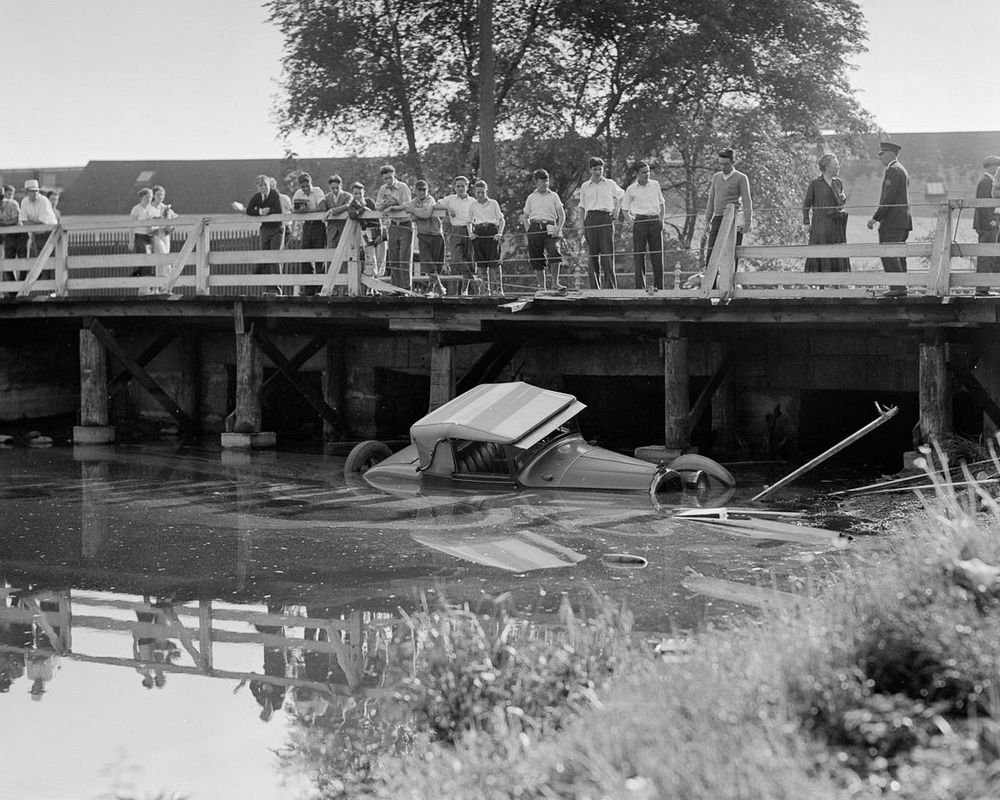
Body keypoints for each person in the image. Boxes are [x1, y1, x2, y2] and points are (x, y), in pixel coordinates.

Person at [866, 141, 911, 298]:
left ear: (890, 154)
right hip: (903, 221)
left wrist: (875, 218)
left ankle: (897, 287)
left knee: (888, 252)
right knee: (899, 254)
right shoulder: (902, 170)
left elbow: (888, 198)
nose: (880, 158)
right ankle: (901, 286)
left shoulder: (892, 170)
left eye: (882, 154)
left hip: (892, 222)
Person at [577, 157, 624, 289]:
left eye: (600, 169)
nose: (598, 172)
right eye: (595, 169)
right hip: (591, 219)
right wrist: (581, 225)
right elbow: (581, 206)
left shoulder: (609, 183)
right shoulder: (585, 186)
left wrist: (617, 211)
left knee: (607, 253)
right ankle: (594, 288)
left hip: (605, 218)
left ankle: (610, 288)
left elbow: (622, 195)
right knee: (592, 255)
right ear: (590, 170)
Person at [703, 148, 752, 272]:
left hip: (734, 219)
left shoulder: (741, 178)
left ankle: (730, 285)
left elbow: (747, 200)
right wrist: (707, 220)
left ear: (732, 162)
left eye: (725, 164)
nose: (722, 167)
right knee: (711, 252)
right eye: (720, 164)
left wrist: (747, 222)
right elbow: (711, 199)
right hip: (718, 218)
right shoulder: (716, 177)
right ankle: (711, 286)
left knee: (732, 253)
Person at [802, 153, 850, 273]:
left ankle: (838, 285)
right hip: (821, 227)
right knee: (821, 254)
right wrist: (806, 223)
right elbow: (806, 205)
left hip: (836, 228)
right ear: (827, 167)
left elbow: (840, 204)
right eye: (836, 164)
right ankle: (820, 285)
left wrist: (842, 199)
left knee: (837, 254)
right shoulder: (815, 184)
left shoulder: (838, 182)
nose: (838, 167)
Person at [622, 160, 665, 290]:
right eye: (643, 172)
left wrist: (661, 221)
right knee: (639, 256)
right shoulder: (631, 189)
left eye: (648, 171)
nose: (647, 174)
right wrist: (632, 223)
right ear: (636, 174)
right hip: (639, 221)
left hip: (654, 221)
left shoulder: (655, 185)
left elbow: (662, 204)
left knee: (657, 255)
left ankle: (660, 287)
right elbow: (624, 209)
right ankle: (640, 287)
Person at [521, 168, 566, 291]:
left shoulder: (554, 196)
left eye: (546, 181)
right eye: (542, 181)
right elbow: (525, 216)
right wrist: (528, 230)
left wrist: (559, 228)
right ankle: (542, 287)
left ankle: (555, 283)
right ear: (535, 182)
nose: (545, 184)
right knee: (536, 257)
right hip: (535, 227)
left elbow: (561, 214)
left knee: (554, 251)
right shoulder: (531, 197)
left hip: (550, 227)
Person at [233, 174, 284, 282]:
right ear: (257, 187)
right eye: (260, 186)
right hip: (265, 229)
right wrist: (260, 212)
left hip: (276, 228)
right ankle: (267, 285)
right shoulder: (257, 197)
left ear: (269, 184)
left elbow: (278, 210)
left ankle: (277, 286)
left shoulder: (275, 194)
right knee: (264, 256)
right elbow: (249, 210)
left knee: (274, 257)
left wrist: (267, 211)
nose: (263, 188)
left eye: (265, 185)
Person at [436, 176, 477, 294]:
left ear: (467, 187)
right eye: (458, 186)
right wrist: (448, 208)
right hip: (456, 230)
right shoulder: (451, 199)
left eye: (462, 186)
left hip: (470, 230)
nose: (460, 188)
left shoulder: (473, 201)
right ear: (454, 187)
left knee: (469, 259)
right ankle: (474, 280)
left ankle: (465, 289)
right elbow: (436, 205)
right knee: (456, 259)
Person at [374, 165, 413, 289]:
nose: (388, 181)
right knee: (393, 257)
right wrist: (387, 203)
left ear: (394, 175)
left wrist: (392, 207)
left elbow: (407, 205)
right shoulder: (383, 189)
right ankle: (395, 288)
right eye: (385, 178)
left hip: (405, 224)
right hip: (393, 225)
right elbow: (378, 206)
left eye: (390, 178)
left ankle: (406, 288)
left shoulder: (403, 187)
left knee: (404, 258)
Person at [407, 179, 447, 297]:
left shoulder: (430, 200)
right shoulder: (413, 201)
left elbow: (425, 214)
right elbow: (412, 218)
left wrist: (415, 211)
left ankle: (435, 287)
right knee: (427, 261)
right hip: (423, 234)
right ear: (415, 191)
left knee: (437, 264)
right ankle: (438, 287)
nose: (421, 192)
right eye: (419, 190)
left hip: (436, 234)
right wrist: (418, 212)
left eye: (424, 190)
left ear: (427, 190)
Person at [292, 172, 327, 294]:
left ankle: (320, 288)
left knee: (319, 257)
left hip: (318, 224)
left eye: (307, 185)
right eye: (303, 186)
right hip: (307, 225)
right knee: (306, 256)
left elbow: (323, 207)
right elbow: (294, 210)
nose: (306, 188)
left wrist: (308, 211)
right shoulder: (298, 194)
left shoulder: (317, 191)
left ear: (310, 183)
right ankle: (309, 289)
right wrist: (301, 211)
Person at [469, 180, 506, 295]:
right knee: (481, 263)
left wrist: (499, 233)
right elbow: (469, 222)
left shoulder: (493, 203)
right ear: (475, 192)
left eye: (483, 192)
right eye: (478, 192)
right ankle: (485, 290)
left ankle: (499, 289)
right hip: (479, 233)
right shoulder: (473, 205)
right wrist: (471, 233)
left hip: (491, 231)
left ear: (486, 191)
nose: (480, 195)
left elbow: (501, 220)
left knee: (494, 262)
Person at [974, 155, 1000, 295]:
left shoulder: (988, 181)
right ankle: (982, 289)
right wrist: (991, 221)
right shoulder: (986, 182)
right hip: (987, 225)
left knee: (989, 256)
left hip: (989, 223)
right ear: (992, 166)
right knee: (986, 256)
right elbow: (983, 205)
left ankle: (984, 288)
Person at [19, 179, 57, 257]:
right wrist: (34, 224)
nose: (35, 193)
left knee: (50, 260)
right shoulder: (24, 202)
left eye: (37, 191)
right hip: (35, 234)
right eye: (32, 191)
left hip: (50, 233)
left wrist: (30, 224)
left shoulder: (44, 200)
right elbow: (23, 221)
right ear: (26, 192)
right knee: (36, 260)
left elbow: (43, 223)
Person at [129, 188, 156, 283]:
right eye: (147, 197)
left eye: (151, 197)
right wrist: (131, 241)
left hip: (150, 236)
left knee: (150, 259)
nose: (149, 199)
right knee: (145, 256)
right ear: (142, 197)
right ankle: (145, 280)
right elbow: (131, 226)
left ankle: (146, 280)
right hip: (140, 236)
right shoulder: (136, 209)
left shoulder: (152, 209)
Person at [1, 185, 25, 285]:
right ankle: (12, 291)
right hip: (8, 236)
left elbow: (16, 220)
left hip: (20, 235)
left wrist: (3, 223)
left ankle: (21, 289)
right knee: (7, 264)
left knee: (23, 263)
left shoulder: (12, 204)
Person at [322, 174, 353, 252]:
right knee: (330, 254)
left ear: (341, 185)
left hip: (344, 229)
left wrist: (332, 211)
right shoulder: (326, 197)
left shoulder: (347, 196)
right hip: (331, 231)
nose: (335, 190)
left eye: (337, 188)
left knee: (345, 253)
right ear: (329, 187)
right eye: (333, 188)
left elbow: (348, 205)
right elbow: (323, 209)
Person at [149, 185, 177, 258]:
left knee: (164, 256)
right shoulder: (149, 208)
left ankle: (167, 269)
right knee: (164, 254)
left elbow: (175, 217)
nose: (160, 196)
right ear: (153, 196)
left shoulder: (165, 208)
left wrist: (172, 224)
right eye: (158, 194)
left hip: (165, 234)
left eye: (162, 195)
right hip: (155, 234)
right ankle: (169, 269)